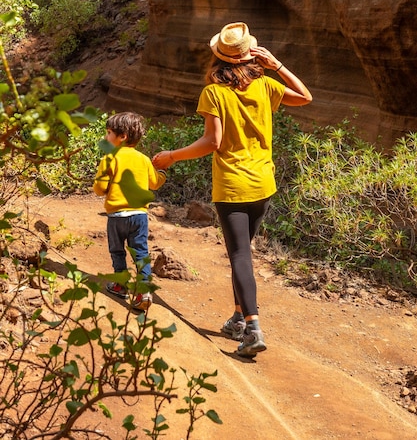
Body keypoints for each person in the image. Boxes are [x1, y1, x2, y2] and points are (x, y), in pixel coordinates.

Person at [152, 22, 312, 357]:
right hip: (263, 184)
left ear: (219, 58)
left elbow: (213, 142)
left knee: (240, 256)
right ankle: (239, 318)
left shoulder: (214, 92)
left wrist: (170, 156)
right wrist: (276, 65)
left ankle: (253, 328)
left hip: (233, 186)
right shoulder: (265, 85)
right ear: (250, 53)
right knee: (244, 252)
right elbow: (305, 97)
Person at [93, 111, 167, 311]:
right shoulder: (143, 160)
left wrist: (105, 187)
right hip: (139, 217)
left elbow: (100, 188)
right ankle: (143, 292)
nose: (106, 138)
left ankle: (121, 284)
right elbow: (155, 182)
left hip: (117, 217)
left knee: (117, 251)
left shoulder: (109, 158)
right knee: (141, 252)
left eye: (108, 133)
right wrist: (162, 172)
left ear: (122, 136)